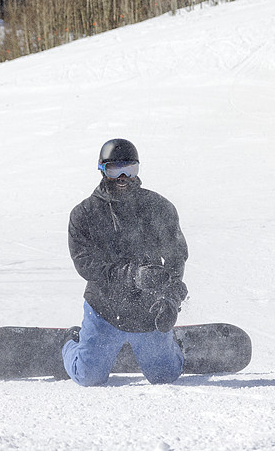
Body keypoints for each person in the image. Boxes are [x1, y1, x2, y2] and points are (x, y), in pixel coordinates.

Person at [61, 138, 189, 386]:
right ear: (101, 170)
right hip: (104, 309)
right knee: (88, 377)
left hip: (147, 310)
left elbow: (176, 255)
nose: (123, 177)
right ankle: (70, 344)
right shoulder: (84, 214)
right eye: (114, 169)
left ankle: (170, 346)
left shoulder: (158, 207)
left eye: (130, 170)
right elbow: (85, 264)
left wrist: (171, 297)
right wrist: (131, 275)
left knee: (165, 376)